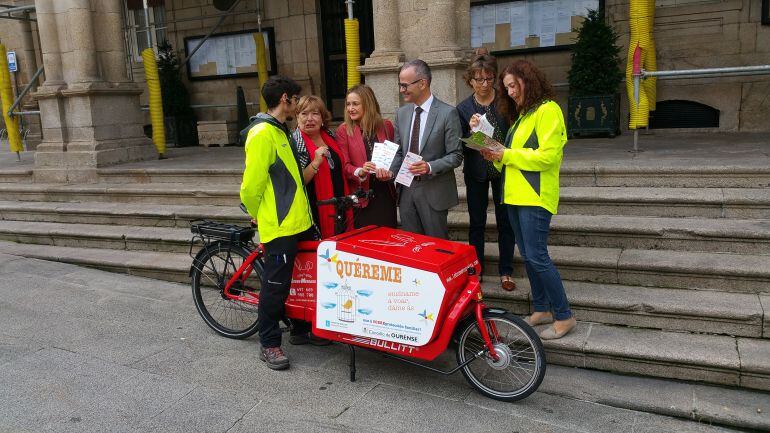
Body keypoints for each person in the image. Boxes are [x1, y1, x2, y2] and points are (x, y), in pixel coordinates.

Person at [476, 59, 577, 340]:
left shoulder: (549, 110)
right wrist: (493, 154)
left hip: (535, 196)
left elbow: (548, 156)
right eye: (506, 87)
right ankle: (542, 308)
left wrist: (505, 155)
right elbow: (510, 161)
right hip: (516, 195)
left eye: (512, 85)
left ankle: (564, 315)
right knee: (530, 257)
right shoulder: (522, 116)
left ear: (527, 81)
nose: (509, 92)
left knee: (537, 256)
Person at [240, 76, 316, 370]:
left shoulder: (280, 130)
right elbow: (251, 184)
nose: (299, 105)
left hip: (297, 221)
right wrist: (253, 211)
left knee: (295, 281)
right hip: (280, 224)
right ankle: (269, 343)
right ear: (286, 98)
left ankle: (299, 329)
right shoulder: (262, 133)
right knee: (275, 286)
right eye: (297, 99)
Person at [378, 59, 463, 239]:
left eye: (404, 85)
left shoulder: (448, 113)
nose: (401, 90)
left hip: (434, 192)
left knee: (436, 246)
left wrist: (429, 166)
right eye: (400, 85)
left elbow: (456, 155)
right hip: (407, 191)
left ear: (422, 83)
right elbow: (399, 152)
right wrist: (390, 172)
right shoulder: (401, 113)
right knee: (412, 247)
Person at [457, 51, 516, 291]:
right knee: (477, 222)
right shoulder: (463, 108)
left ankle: (506, 271)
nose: (484, 84)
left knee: (506, 221)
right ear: (469, 80)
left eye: (489, 79)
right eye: (478, 79)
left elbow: (513, 134)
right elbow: (458, 142)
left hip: (503, 169)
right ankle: (477, 269)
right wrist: (472, 134)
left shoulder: (504, 101)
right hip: (476, 170)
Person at [335, 84, 397, 228]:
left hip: (385, 195)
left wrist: (390, 172)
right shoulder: (343, 130)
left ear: (368, 104)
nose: (350, 108)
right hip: (362, 197)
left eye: (355, 104)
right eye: (348, 104)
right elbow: (344, 166)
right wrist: (360, 171)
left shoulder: (386, 126)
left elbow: (395, 158)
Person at [291, 95, 352, 238]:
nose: (309, 119)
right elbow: (296, 182)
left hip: (339, 205)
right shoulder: (294, 144)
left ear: (323, 118)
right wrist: (315, 163)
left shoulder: (330, 136)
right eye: (304, 114)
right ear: (297, 117)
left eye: (315, 113)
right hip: (314, 211)